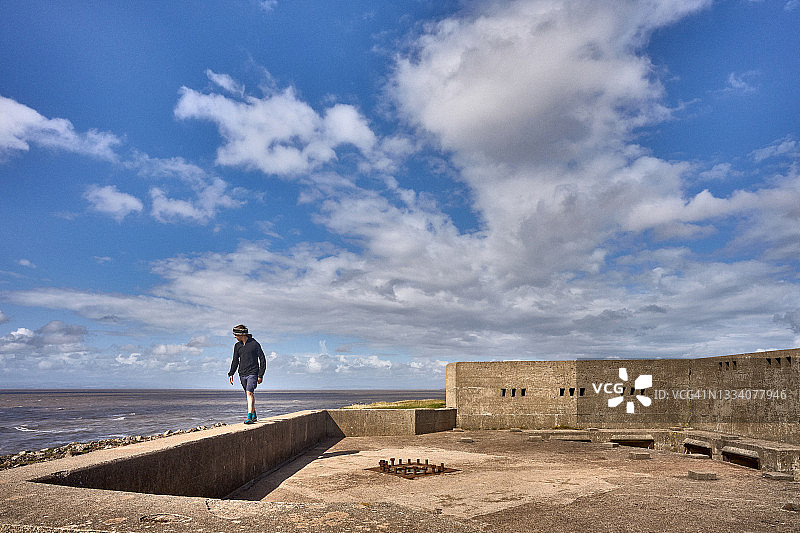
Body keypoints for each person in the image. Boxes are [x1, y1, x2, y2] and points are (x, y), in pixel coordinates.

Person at [228, 324, 267, 424]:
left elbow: (262, 359)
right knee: (248, 393)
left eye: (236, 335)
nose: (235, 337)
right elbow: (235, 360)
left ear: (241, 334)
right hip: (242, 373)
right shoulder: (237, 346)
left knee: (249, 392)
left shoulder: (255, 344)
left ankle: (249, 416)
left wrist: (260, 375)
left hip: (253, 373)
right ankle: (254, 414)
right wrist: (231, 373)